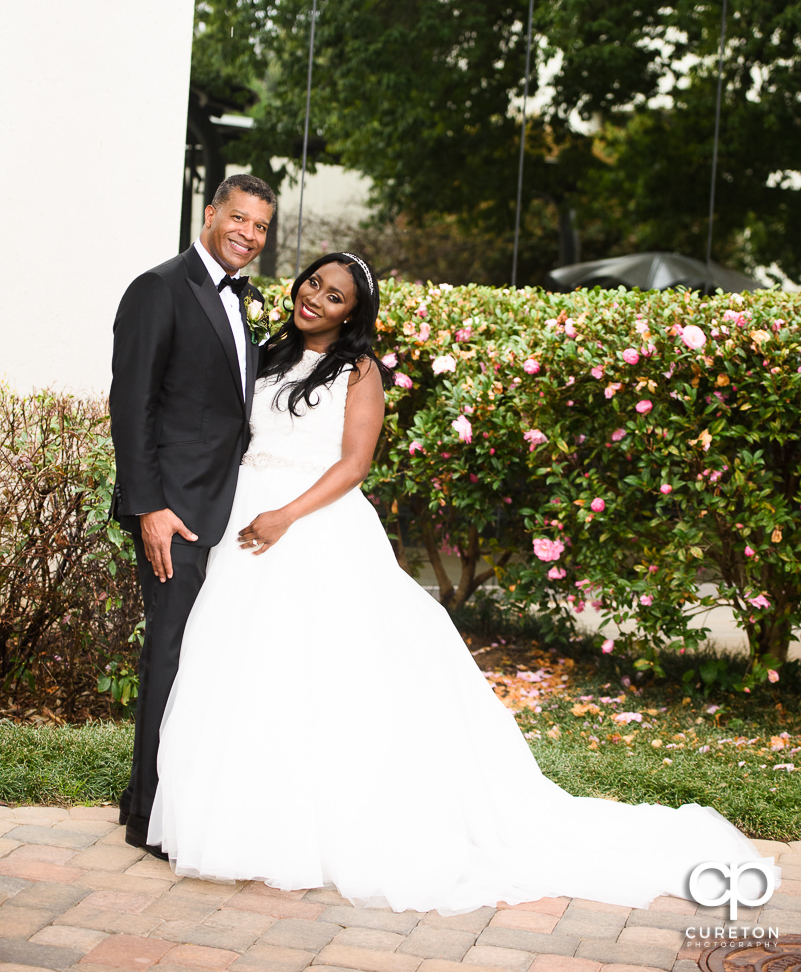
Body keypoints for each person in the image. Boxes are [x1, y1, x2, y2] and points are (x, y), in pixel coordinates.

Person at [147, 251, 769, 913]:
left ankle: (328, 827)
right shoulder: (265, 354)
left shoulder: (359, 371)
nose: (315, 299)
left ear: (352, 315)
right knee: (248, 669)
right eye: (313, 284)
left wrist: (284, 516)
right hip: (244, 520)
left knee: (326, 674)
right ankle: (251, 818)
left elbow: (355, 464)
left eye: (334, 297)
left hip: (309, 525)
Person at [109, 173, 275, 854]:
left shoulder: (248, 299)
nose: (248, 234)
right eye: (238, 219)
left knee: (201, 656)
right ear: (210, 215)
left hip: (226, 508)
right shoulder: (159, 287)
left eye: (260, 226)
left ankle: (164, 799)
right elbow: (131, 404)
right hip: (174, 512)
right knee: (170, 653)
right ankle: (149, 815)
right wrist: (149, 507)